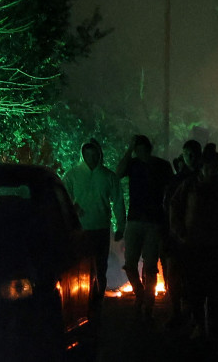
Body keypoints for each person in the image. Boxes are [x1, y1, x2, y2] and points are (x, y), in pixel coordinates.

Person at [170, 144, 218, 341]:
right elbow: (174, 208)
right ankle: (200, 324)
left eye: (214, 167)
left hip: (217, 246)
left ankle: (215, 327)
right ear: (202, 167)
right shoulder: (189, 186)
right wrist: (180, 233)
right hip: (194, 245)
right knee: (195, 289)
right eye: (208, 167)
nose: (211, 170)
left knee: (216, 289)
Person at [62, 139, 125, 320]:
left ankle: (97, 303)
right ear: (82, 154)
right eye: (88, 154)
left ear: (99, 154)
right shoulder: (72, 175)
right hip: (80, 230)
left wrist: (121, 225)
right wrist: (73, 209)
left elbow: (118, 202)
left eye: (94, 153)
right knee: (81, 267)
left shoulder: (108, 176)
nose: (91, 157)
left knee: (100, 266)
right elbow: (64, 197)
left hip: (101, 228)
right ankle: (84, 301)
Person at [115, 134, 174, 320]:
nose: (140, 152)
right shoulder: (132, 164)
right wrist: (128, 149)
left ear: (149, 148)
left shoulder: (162, 165)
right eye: (137, 149)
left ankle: (148, 303)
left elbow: (171, 190)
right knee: (130, 263)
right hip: (134, 219)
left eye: (142, 148)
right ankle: (140, 293)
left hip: (153, 221)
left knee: (150, 266)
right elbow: (118, 172)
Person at [161, 139, 202, 329]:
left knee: (194, 278)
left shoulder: (204, 178)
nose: (191, 158)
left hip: (197, 238)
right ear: (183, 155)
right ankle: (177, 312)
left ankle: (193, 315)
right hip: (176, 236)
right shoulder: (176, 180)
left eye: (193, 154)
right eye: (188, 154)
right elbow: (168, 207)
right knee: (174, 276)